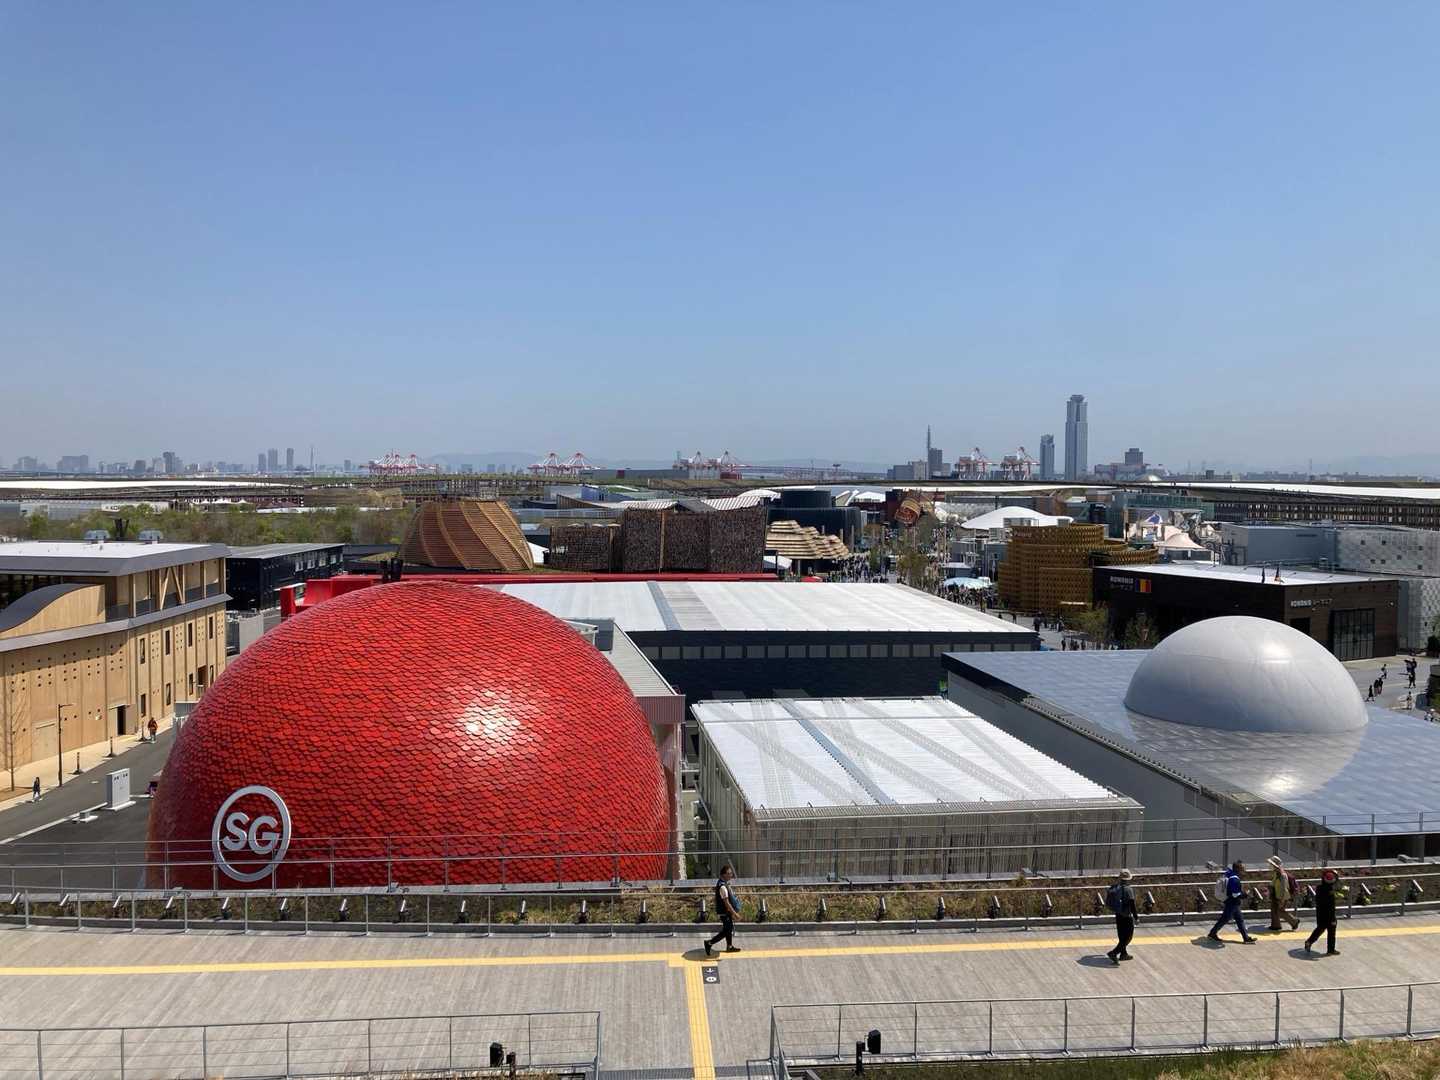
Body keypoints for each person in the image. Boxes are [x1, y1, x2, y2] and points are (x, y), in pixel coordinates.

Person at [1207, 860, 1257, 944]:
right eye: (1242, 868)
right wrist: (1245, 894)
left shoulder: (1229, 874)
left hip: (1232, 902)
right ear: (1238, 869)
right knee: (1225, 919)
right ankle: (1212, 933)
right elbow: (1235, 894)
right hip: (1232, 903)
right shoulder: (1234, 879)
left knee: (1239, 919)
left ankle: (1246, 938)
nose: (1244, 869)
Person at [703, 864, 742, 956]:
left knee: (728, 928)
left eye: (731, 873)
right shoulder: (722, 887)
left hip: (726, 911)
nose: (731, 875)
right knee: (726, 930)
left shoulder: (724, 883)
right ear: (724, 874)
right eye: (729, 873)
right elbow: (726, 903)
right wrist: (735, 914)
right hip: (724, 912)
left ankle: (729, 946)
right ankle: (709, 943)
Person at [1105, 869, 1138, 965]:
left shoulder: (1117, 887)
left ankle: (1123, 954)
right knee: (1128, 937)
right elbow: (1132, 905)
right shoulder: (1128, 889)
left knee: (1122, 936)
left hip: (1118, 914)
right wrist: (1136, 917)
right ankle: (1113, 953)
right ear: (1128, 879)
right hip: (1126, 916)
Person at [1305, 869, 1340, 956]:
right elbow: (1330, 907)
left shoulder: (1319, 888)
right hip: (1329, 915)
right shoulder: (1330, 891)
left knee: (1320, 929)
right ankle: (1331, 949)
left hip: (1320, 913)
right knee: (1331, 932)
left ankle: (1309, 941)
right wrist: (1332, 918)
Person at [1267, 855, 1300, 932]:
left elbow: (1283, 888)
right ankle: (1276, 925)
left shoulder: (1282, 875)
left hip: (1282, 896)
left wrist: (1281, 899)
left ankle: (1294, 921)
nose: (1270, 866)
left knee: (1279, 911)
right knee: (1276, 910)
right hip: (1278, 895)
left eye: (1271, 864)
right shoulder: (1277, 873)